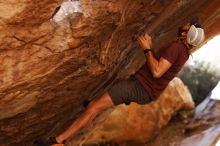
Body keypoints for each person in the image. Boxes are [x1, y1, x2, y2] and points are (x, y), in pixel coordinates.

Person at [34, 18, 205, 146]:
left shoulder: (176, 48)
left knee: (94, 108)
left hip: (140, 87)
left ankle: (58, 141)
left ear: (186, 33)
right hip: (142, 88)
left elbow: (157, 71)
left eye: (189, 25)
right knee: (111, 90)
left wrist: (147, 48)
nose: (186, 23)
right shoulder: (183, 51)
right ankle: (94, 104)